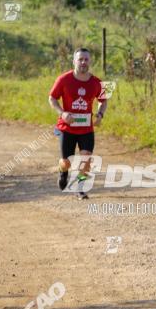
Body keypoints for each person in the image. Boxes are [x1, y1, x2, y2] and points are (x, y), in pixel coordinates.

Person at [47, 48, 108, 200]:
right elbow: (52, 98)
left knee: (86, 159)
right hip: (66, 128)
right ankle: (63, 172)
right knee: (66, 162)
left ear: (90, 62)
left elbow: (104, 100)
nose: (83, 62)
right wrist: (63, 113)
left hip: (86, 129)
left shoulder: (97, 82)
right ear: (74, 61)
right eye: (80, 59)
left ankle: (80, 188)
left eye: (86, 59)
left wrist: (100, 114)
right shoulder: (63, 79)